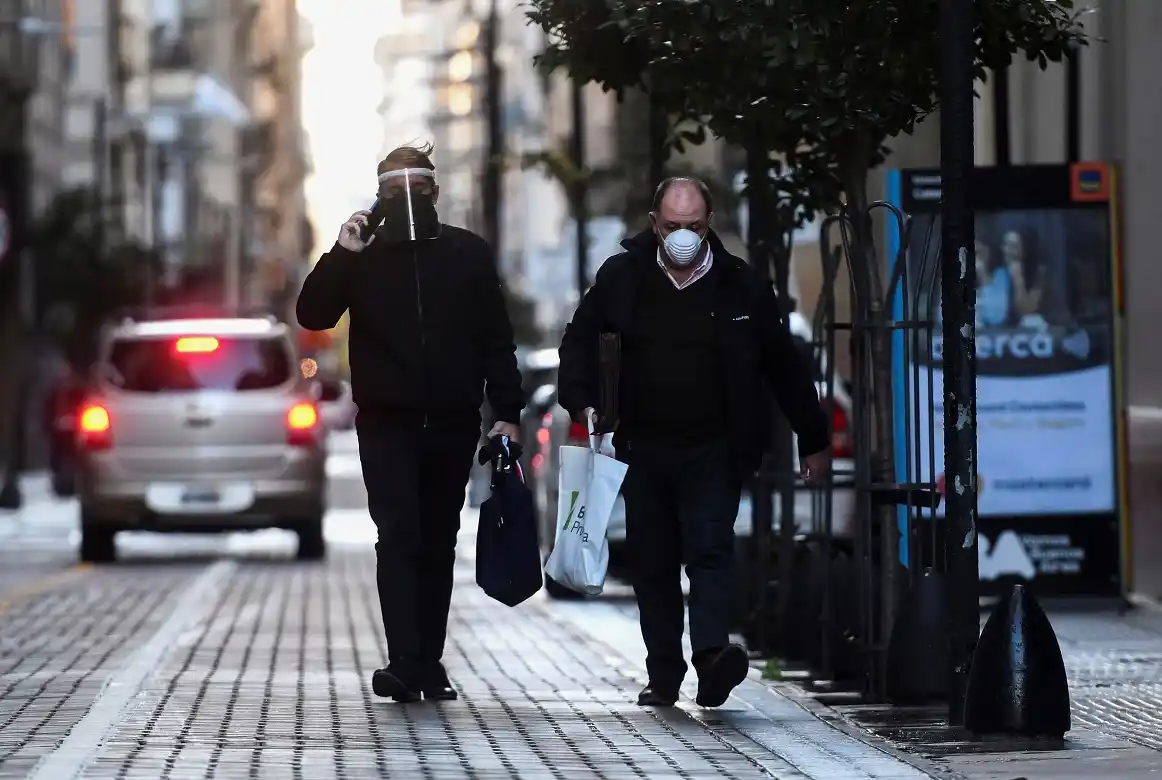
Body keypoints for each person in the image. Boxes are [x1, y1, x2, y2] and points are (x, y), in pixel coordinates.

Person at [557, 177, 832, 708]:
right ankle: (663, 674)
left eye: (695, 227)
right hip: (642, 446)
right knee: (653, 562)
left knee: (709, 551)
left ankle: (711, 658)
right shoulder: (623, 278)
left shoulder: (741, 286)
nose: (683, 237)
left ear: (709, 225)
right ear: (655, 224)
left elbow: (783, 365)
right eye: (673, 226)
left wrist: (813, 438)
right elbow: (578, 341)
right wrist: (582, 403)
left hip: (715, 446)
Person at [296, 143, 524, 703]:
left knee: (438, 542)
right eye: (394, 193)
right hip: (386, 424)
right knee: (399, 537)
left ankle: (428, 660)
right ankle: (405, 661)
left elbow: (497, 340)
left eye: (416, 190)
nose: (407, 201)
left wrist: (508, 416)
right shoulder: (363, 257)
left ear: (436, 194)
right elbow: (313, 314)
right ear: (378, 200)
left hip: (452, 421)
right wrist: (342, 252)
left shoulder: (466, 254)